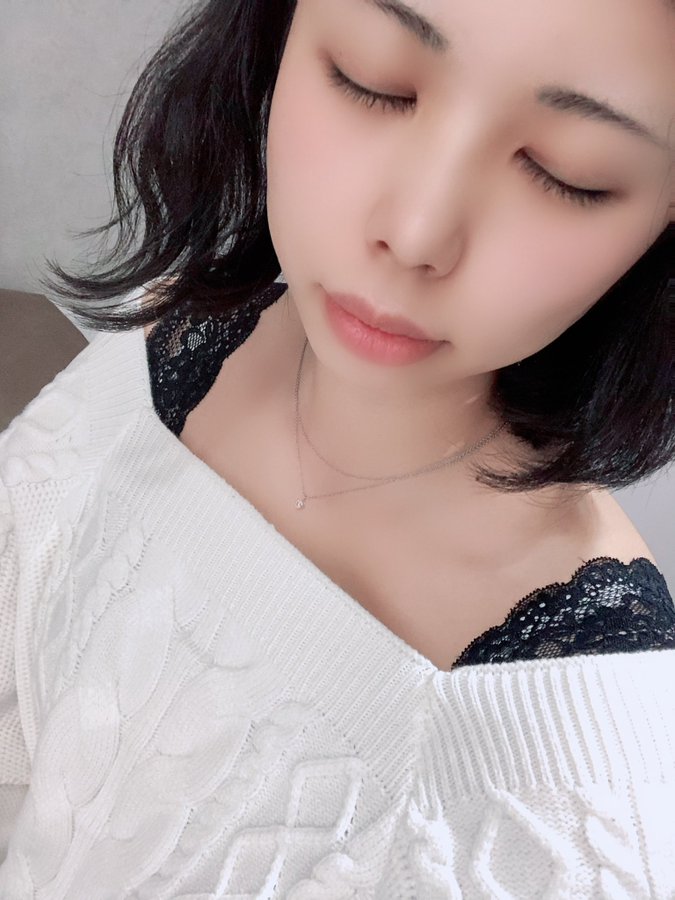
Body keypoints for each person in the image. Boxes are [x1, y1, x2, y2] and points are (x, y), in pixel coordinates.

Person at [1, 0, 674, 895]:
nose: (415, 232)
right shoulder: (169, 335)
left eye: (566, 173)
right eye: (374, 81)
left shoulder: (583, 788)